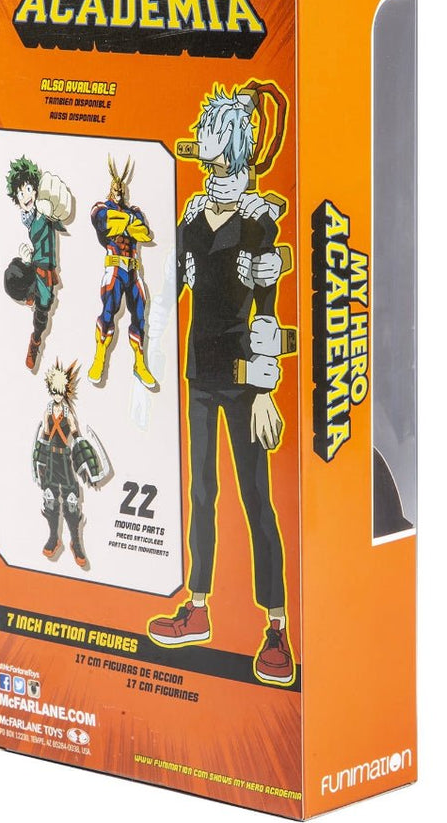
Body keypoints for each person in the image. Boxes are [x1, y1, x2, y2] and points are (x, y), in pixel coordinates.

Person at [148, 83, 296, 685]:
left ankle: (277, 627)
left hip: (243, 380)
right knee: (202, 491)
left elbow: (268, 310)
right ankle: (198, 605)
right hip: (200, 376)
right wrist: (149, 352)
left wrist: (265, 392)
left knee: (257, 497)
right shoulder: (192, 216)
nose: (202, 144)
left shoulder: (258, 221)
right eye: (203, 138)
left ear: (236, 149)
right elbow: (170, 287)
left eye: (213, 138)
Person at [32, 359, 109, 567]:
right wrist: (39, 459)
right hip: (51, 458)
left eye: (60, 392)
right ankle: (53, 538)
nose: (57, 395)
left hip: (65, 459)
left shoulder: (67, 412)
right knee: (49, 498)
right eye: (54, 391)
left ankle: (76, 542)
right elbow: (45, 434)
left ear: (64, 390)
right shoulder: (48, 410)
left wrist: (83, 451)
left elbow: (75, 433)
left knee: (72, 502)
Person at [88, 157, 155, 389]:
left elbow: (144, 233)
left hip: (133, 270)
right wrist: (128, 224)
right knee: (109, 311)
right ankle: (99, 359)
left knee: (140, 315)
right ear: (111, 188)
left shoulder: (135, 211)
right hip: (115, 267)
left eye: (122, 188)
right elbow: (103, 224)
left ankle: (140, 364)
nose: (119, 191)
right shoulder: (101, 208)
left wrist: (122, 223)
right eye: (115, 188)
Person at [4, 156, 72, 370]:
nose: (25, 196)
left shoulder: (43, 212)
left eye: (27, 189)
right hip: (35, 266)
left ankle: (35, 339)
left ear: (35, 188)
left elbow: (58, 221)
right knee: (12, 274)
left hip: (45, 270)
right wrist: (26, 257)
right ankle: (31, 302)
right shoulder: (30, 217)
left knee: (44, 308)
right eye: (20, 193)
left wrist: (53, 210)